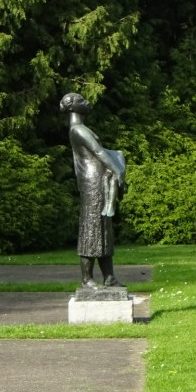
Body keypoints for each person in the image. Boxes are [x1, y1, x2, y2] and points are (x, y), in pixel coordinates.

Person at [60, 93, 126, 288]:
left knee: (103, 228)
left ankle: (109, 277)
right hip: (92, 183)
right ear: (72, 107)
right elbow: (98, 151)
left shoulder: (81, 129)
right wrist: (117, 170)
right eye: (81, 101)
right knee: (91, 228)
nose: (87, 103)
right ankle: (87, 279)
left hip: (98, 179)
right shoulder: (78, 130)